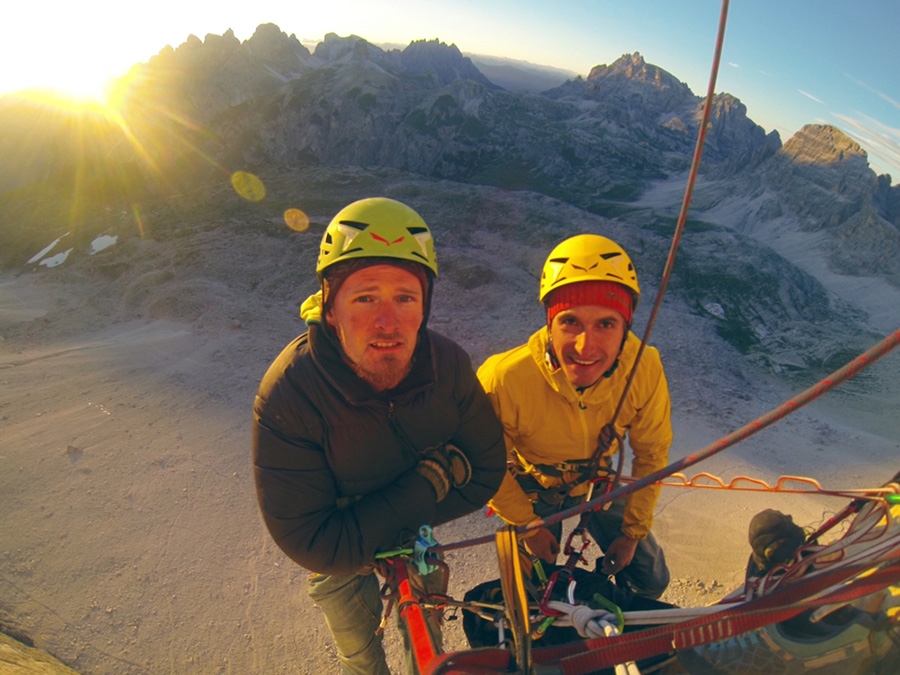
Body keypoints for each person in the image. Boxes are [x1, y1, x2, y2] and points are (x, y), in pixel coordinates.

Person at [252, 197, 506, 675]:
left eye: (405, 298)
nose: (387, 323)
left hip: (405, 536)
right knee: (361, 660)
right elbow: (311, 541)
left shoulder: (446, 365)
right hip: (354, 558)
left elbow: (488, 470)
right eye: (365, 297)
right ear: (330, 308)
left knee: (426, 649)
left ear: (424, 308)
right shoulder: (292, 393)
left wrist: (365, 520)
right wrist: (429, 483)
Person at [477, 233, 672, 600]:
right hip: (533, 488)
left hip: (597, 481)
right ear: (550, 323)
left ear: (626, 327)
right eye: (570, 322)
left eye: (605, 324)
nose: (585, 346)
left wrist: (632, 534)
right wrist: (529, 526)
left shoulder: (644, 367)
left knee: (650, 579)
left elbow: (652, 454)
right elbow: (485, 465)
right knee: (528, 596)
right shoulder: (503, 380)